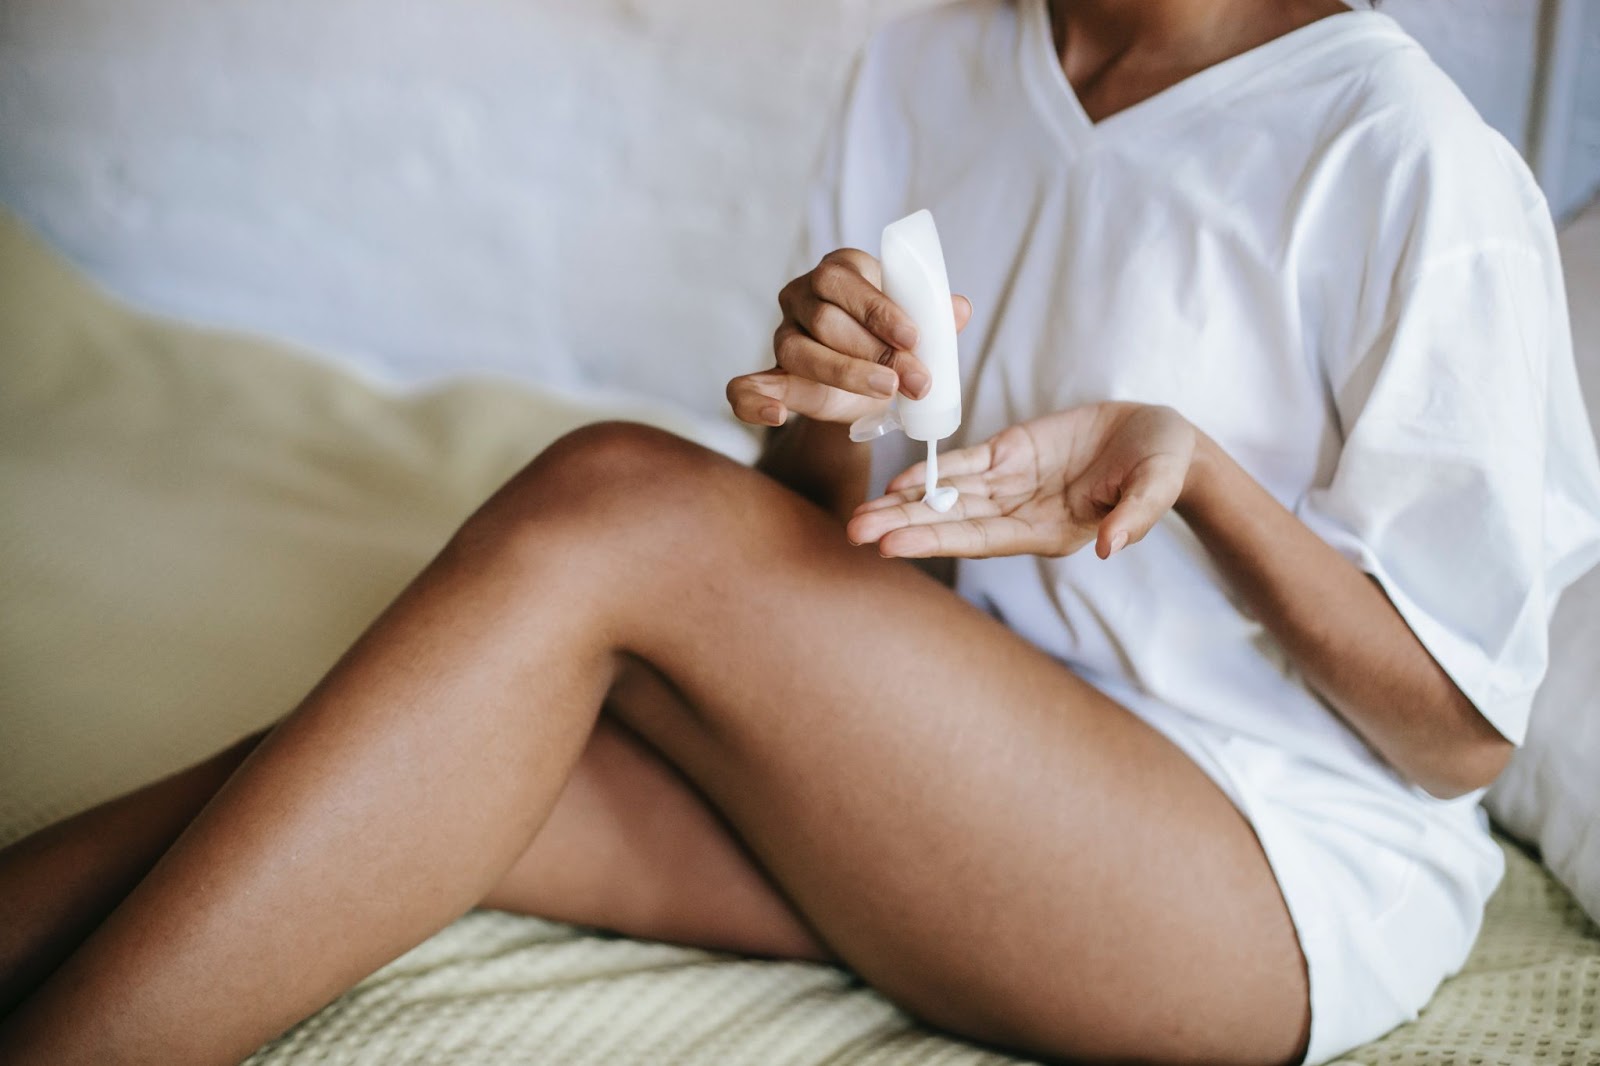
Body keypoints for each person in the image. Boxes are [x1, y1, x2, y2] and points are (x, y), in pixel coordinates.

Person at [3, 0, 1599, 1063]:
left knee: (614, 497)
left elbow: (1459, 735)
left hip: (1258, 876)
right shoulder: (934, 58)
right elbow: (816, 561)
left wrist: (1197, 477)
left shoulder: (1399, 156)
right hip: (952, 774)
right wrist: (831, 409)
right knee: (416, 745)